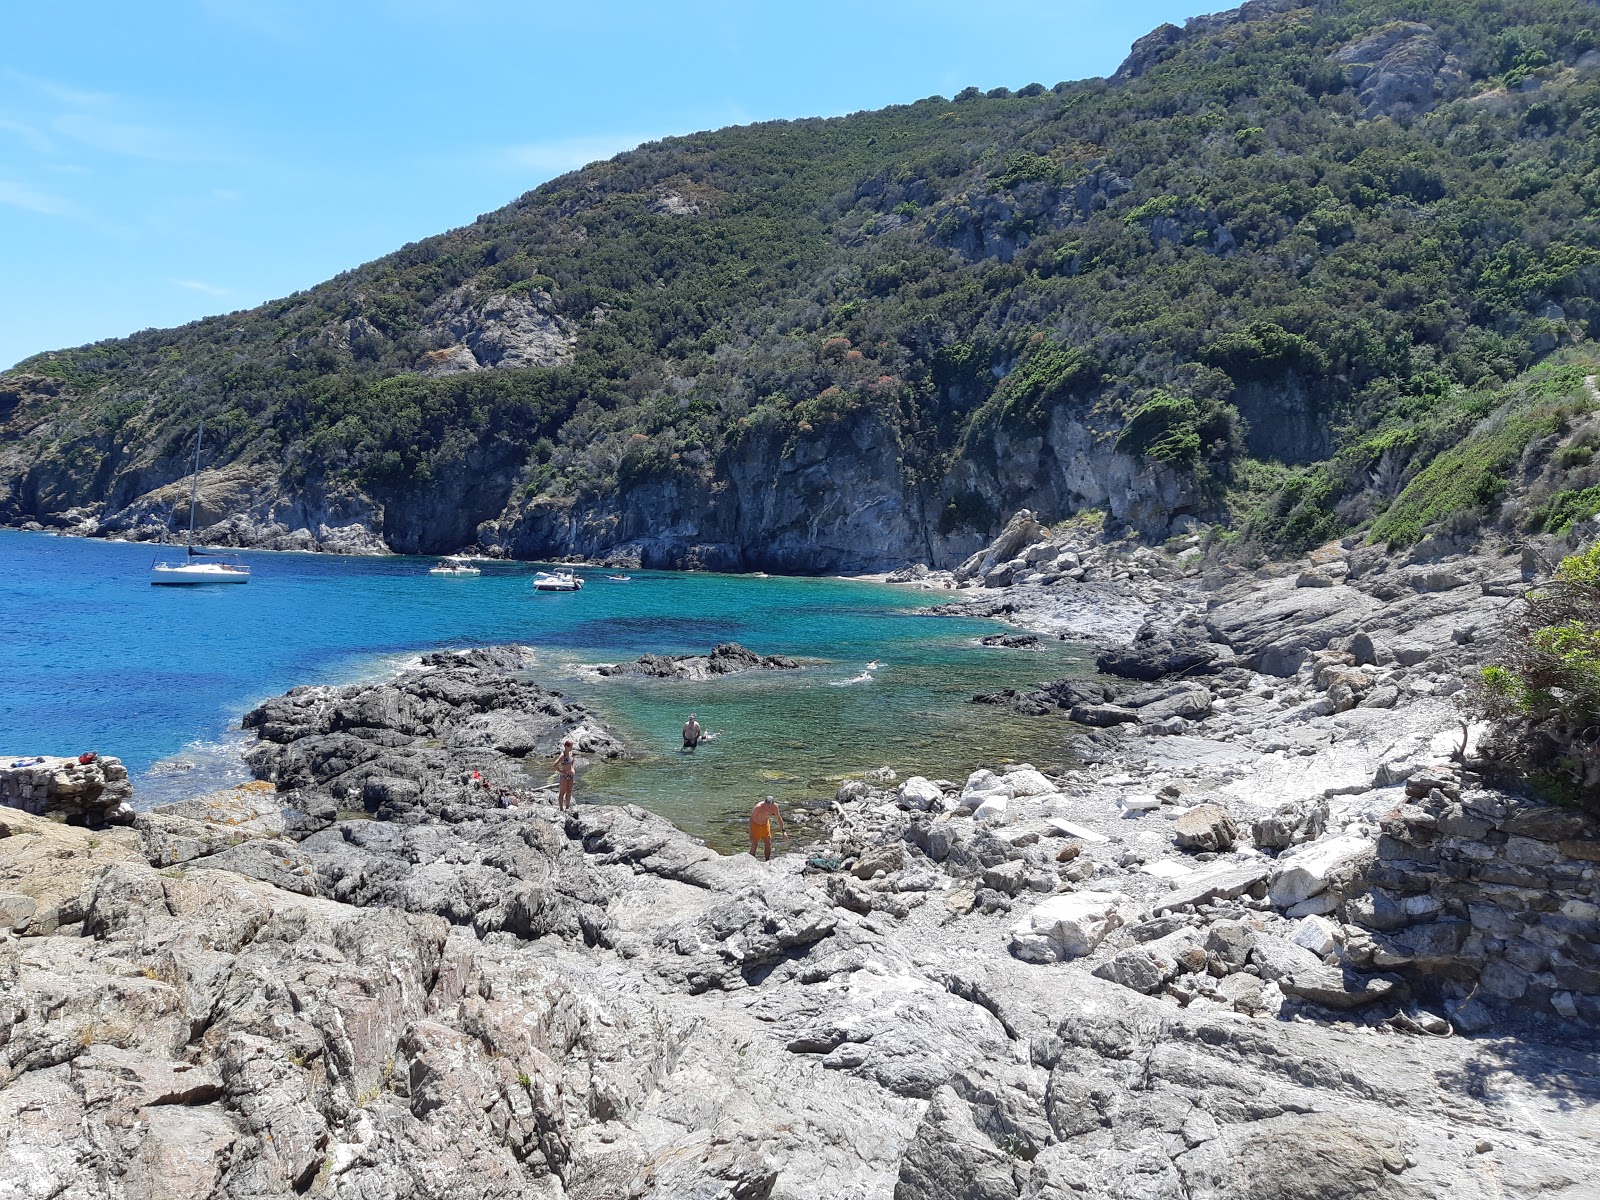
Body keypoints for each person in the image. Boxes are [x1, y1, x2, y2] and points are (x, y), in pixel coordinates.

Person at [749, 795, 786, 861]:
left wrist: (783, 831)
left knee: (768, 842)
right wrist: (751, 832)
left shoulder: (775, 807)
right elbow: (751, 819)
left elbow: (779, 818)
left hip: (765, 824)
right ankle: (751, 861)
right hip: (755, 825)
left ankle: (767, 860)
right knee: (754, 843)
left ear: (772, 804)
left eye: (769, 806)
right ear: (764, 802)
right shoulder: (758, 807)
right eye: (766, 805)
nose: (768, 808)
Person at [555, 739, 577, 811]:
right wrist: (561, 771)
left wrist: (573, 768)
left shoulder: (571, 753)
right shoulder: (562, 756)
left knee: (569, 791)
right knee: (562, 792)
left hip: (570, 775)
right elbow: (555, 765)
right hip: (564, 776)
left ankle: (567, 807)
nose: (571, 747)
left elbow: (573, 761)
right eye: (570, 746)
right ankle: (561, 808)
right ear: (566, 746)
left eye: (572, 746)